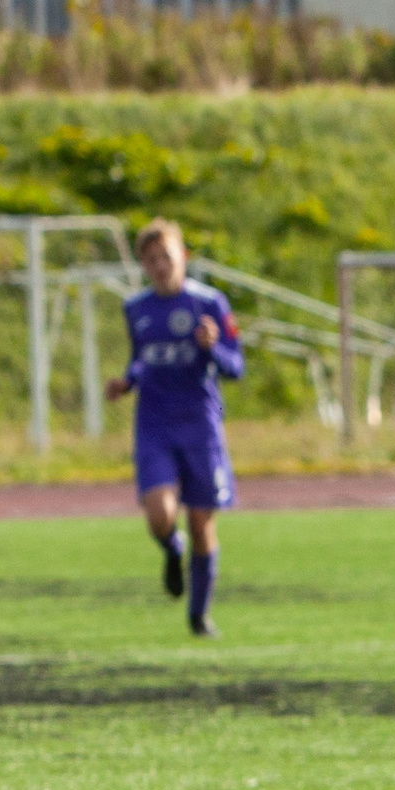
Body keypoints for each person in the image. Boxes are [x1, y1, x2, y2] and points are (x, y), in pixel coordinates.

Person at [106, 220, 243, 637]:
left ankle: (199, 617)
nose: (161, 265)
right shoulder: (136, 309)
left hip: (200, 425)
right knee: (160, 515)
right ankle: (171, 548)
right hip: (155, 425)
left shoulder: (210, 303)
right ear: (143, 266)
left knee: (202, 523)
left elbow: (236, 367)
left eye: (166, 256)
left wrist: (213, 348)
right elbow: (141, 358)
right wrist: (128, 380)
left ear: (183, 256)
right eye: (151, 260)